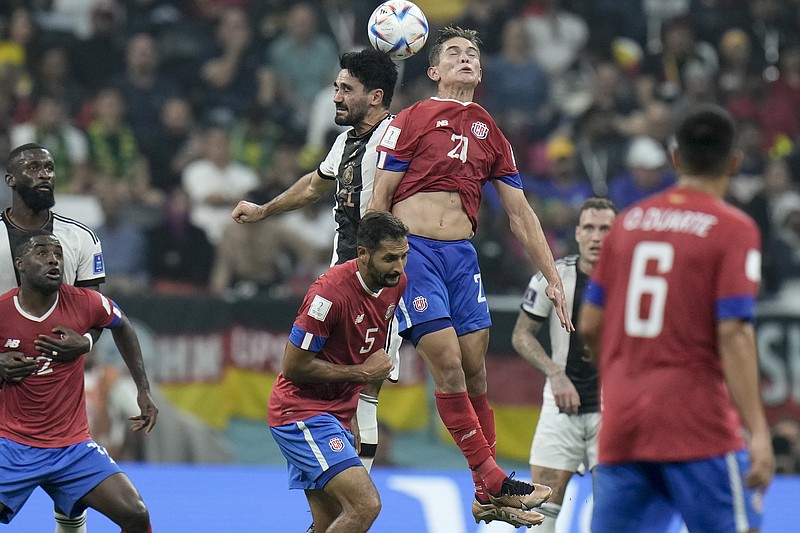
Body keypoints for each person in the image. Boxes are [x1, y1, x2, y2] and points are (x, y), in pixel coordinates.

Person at [369, 25, 572, 528]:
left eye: (473, 54)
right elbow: (379, 198)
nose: (466, 59)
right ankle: (493, 479)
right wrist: (371, 269)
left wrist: (552, 276)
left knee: (476, 370)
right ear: (433, 70)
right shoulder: (411, 118)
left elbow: (521, 214)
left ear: (480, 71)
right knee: (450, 367)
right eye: (454, 53)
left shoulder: (491, 132)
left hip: (461, 258)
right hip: (412, 252)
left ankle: (487, 493)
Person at [579, 104, 774, 533]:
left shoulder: (627, 224)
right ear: (735, 162)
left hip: (624, 421)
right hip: (696, 423)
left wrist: (622, 377)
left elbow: (590, 324)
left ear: (675, 158)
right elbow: (735, 333)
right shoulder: (733, 228)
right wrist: (758, 431)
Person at [232, 47, 400, 481]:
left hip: (379, 283)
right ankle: (337, 497)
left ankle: (356, 493)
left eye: (347, 89)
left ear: (376, 96)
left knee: (366, 389)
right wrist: (265, 210)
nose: (336, 97)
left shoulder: (398, 138)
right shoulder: (345, 141)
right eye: (335, 88)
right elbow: (313, 186)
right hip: (340, 275)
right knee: (333, 384)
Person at [0, 230, 158, 532]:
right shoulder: (3, 311)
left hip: (72, 448)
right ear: (19, 264)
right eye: (42, 253)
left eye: (58, 254)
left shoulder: (85, 302)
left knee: (136, 514)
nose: (53, 260)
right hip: (12, 445)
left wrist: (143, 390)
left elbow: (122, 324)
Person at [268, 211, 409, 533]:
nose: (398, 267)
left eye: (403, 256)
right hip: (301, 412)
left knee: (329, 524)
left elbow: (367, 347)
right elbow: (293, 366)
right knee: (365, 506)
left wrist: (355, 412)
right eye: (389, 258)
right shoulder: (328, 295)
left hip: (337, 414)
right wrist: (360, 374)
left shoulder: (396, 284)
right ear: (362, 254)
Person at [1, 143, 106, 533]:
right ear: (10, 180)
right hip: (3, 374)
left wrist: (88, 342)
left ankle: (69, 514)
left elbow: (99, 310)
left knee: (72, 486)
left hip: (56, 380)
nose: (45, 174)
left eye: (49, 167)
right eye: (33, 167)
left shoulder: (80, 238)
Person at [511, 197, 617, 533]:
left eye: (605, 229)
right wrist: (555, 373)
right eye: (590, 227)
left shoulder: (633, 282)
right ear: (578, 232)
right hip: (560, 411)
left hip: (612, 412)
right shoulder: (552, 278)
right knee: (541, 516)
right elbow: (521, 335)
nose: (597, 236)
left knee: (613, 514)